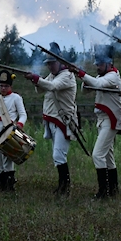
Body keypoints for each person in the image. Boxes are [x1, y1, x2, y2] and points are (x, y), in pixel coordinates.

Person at [70, 45, 121, 198]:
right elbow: (86, 90)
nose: (97, 66)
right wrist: (80, 74)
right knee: (108, 156)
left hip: (111, 119)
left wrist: (81, 73)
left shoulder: (113, 76)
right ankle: (112, 190)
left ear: (109, 63)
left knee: (97, 155)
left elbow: (98, 85)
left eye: (100, 63)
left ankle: (103, 192)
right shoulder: (103, 76)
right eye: (97, 63)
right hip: (103, 119)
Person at [24, 43, 78, 196]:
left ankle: (65, 187)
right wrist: (34, 80)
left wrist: (37, 78)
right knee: (57, 156)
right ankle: (62, 186)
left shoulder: (67, 75)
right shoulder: (53, 75)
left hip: (64, 120)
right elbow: (42, 88)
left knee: (58, 155)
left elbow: (52, 86)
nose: (50, 66)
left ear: (60, 62)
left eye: (52, 63)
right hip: (53, 119)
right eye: (48, 63)